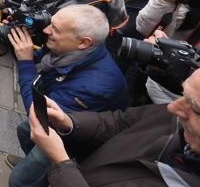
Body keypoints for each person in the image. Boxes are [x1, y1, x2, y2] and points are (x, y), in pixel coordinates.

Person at [6, 5, 128, 187]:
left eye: (55, 29)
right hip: (61, 112)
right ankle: (35, 169)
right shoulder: (69, 49)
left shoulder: (95, 85)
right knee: (24, 131)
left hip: (74, 141)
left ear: (84, 42)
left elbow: (39, 114)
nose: (47, 30)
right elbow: (41, 63)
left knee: (19, 180)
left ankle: (42, 177)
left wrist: (25, 62)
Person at [28, 68, 200, 187]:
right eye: (183, 95)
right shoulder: (178, 116)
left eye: (195, 107)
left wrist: (61, 164)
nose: (172, 107)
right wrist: (70, 123)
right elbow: (121, 122)